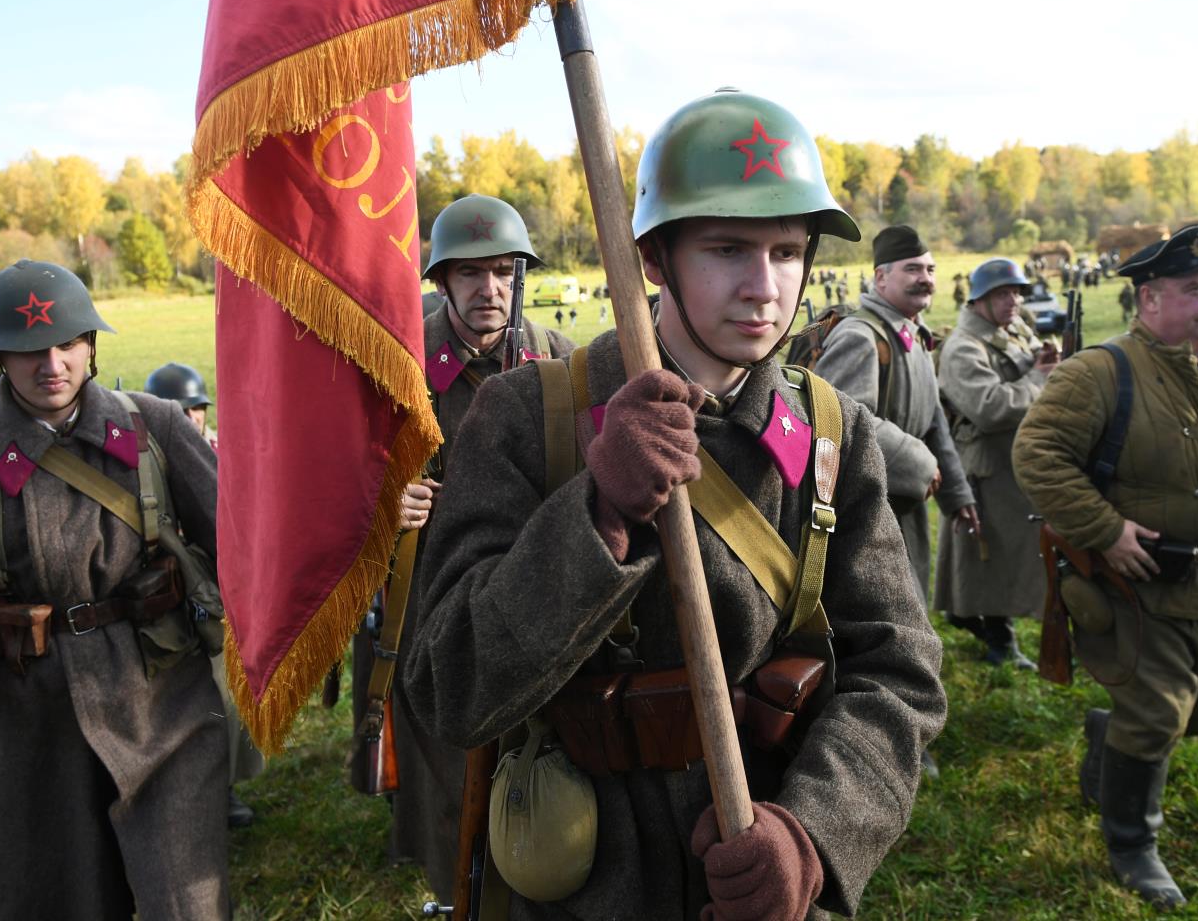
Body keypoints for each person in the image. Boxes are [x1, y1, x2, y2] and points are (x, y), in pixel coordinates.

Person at [403, 89, 946, 920]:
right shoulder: (525, 417)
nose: (765, 287)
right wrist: (596, 515)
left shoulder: (835, 437)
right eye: (728, 248)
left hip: (760, 852)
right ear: (654, 260)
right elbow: (450, 686)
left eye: (788, 250)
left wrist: (814, 836)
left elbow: (898, 674)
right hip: (587, 872)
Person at [0, 260, 228, 918]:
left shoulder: (155, 428)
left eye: (68, 343)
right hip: (28, 720)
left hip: (163, 702)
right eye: (31, 350)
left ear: (92, 344)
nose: (53, 364)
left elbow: (241, 546)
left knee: (188, 900)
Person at [1013, 225, 1198, 908]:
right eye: (1195, 290)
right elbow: (1038, 455)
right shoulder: (1101, 372)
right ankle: (1133, 846)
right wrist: (1105, 529)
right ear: (1149, 300)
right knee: (1157, 716)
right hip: (1137, 583)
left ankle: (1109, 736)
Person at [353, 193, 573, 900]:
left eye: (506, 273)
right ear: (441, 281)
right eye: (472, 275)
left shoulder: (558, 359)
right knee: (442, 745)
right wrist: (388, 504)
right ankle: (451, 881)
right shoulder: (396, 366)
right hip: (429, 585)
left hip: (530, 574)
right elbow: (342, 470)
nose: (492, 291)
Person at [812, 224, 976, 616]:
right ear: (881, 277)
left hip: (905, 498)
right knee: (883, 611)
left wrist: (957, 493)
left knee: (908, 604)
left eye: (931, 270)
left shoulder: (913, 336)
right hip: (866, 505)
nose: (926, 279)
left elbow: (933, 417)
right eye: (913, 269)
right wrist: (917, 461)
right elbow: (843, 421)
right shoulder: (861, 335)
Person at [145, 361, 266, 826]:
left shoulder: (224, 450)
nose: (190, 417)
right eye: (181, 409)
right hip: (159, 594)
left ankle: (224, 787)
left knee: (228, 696)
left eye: (196, 408)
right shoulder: (142, 458)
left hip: (217, 592)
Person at [935, 257, 1058, 669]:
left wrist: (1039, 360)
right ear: (980, 299)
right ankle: (996, 637)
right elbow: (989, 407)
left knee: (999, 551)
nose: (1014, 301)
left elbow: (1014, 366)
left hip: (1011, 459)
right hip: (984, 463)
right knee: (988, 554)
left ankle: (975, 617)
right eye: (1004, 294)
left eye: (1018, 293)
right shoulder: (963, 348)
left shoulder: (1005, 330)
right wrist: (1038, 379)